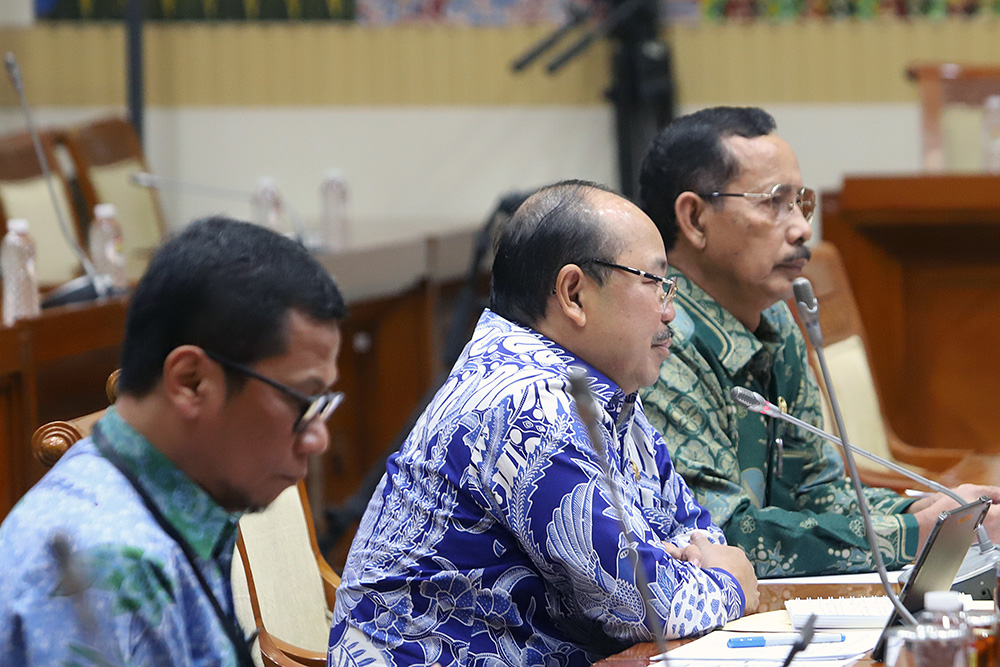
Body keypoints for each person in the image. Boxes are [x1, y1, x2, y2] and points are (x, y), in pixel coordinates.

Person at [328, 180, 758, 667]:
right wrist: (732, 583)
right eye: (653, 282)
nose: (670, 311)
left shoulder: (602, 394)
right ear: (573, 293)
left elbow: (691, 528)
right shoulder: (528, 408)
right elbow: (652, 606)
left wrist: (699, 567)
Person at [638, 106, 1000, 578]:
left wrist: (923, 512)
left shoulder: (776, 321)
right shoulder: (660, 340)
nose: (802, 228)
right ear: (695, 218)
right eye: (773, 202)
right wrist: (912, 534)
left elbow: (818, 489)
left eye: (800, 203)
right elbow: (717, 536)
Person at [0, 216, 348, 666]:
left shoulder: (178, 503)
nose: (318, 438)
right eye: (302, 401)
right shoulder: (104, 567)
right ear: (191, 381)